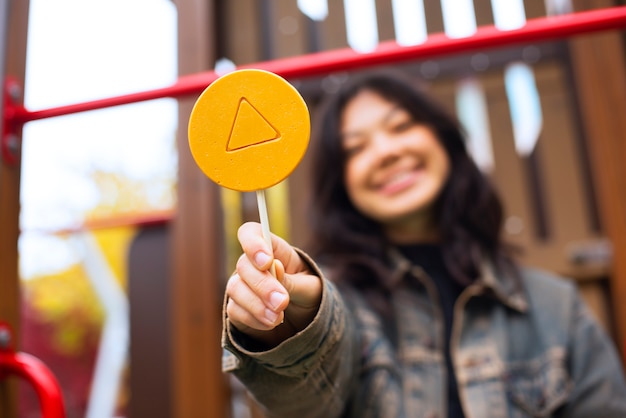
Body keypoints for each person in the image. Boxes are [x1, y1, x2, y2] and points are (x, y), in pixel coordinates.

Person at [221, 70, 626, 418]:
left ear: (444, 139)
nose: (387, 152)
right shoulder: (332, 304)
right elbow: (305, 403)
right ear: (341, 183)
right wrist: (296, 330)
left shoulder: (556, 307)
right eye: (356, 148)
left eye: (401, 127)